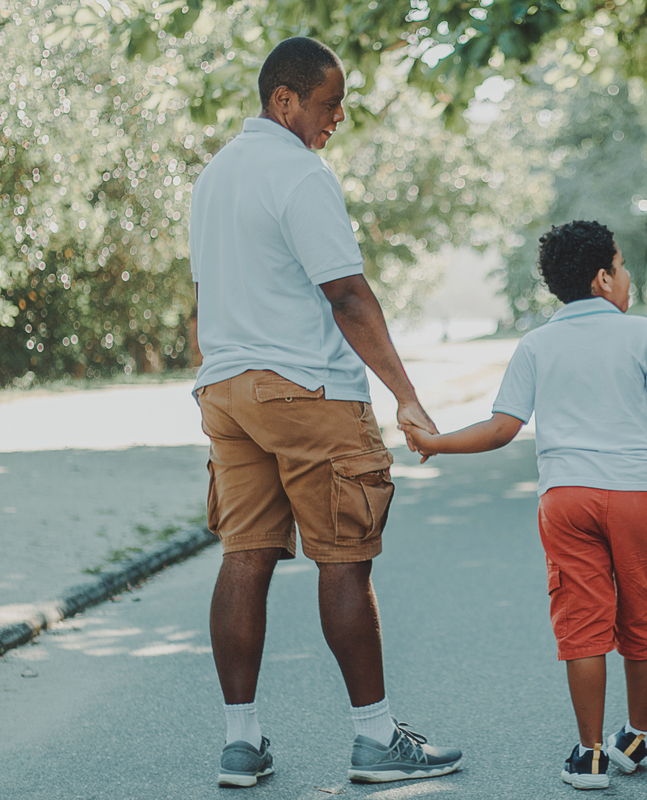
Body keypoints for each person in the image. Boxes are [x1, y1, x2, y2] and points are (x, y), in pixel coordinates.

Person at [404, 220, 647, 789]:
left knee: (582, 624)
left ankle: (588, 755)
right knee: (643, 613)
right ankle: (634, 737)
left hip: (565, 499)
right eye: (623, 265)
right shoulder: (639, 334)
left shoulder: (536, 344)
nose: (628, 277)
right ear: (603, 278)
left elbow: (500, 429)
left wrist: (435, 443)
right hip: (635, 496)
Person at [189, 36, 462, 787]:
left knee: (244, 554)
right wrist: (407, 394)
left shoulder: (214, 176)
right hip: (306, 388)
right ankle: (375, 741)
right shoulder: (299, 172)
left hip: (227, 390)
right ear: (285, 100)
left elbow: (205, 298)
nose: (338, 117)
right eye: (328, 102)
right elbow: (345, 293)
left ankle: (240, 743)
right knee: (345, 557)